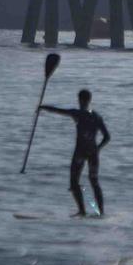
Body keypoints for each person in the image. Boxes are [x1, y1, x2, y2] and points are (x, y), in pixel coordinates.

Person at [39, 88, 111, 217]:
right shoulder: (97, 116)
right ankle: (101, 212)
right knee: (94, 181)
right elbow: (107, 137)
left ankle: (82, 211)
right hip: (93, 153)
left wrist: (43, 107)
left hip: (80, 152)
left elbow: (59, 111)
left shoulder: (77, 114)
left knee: (74, 182)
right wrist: (98, 148)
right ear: (90, 100)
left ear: (80, 100)